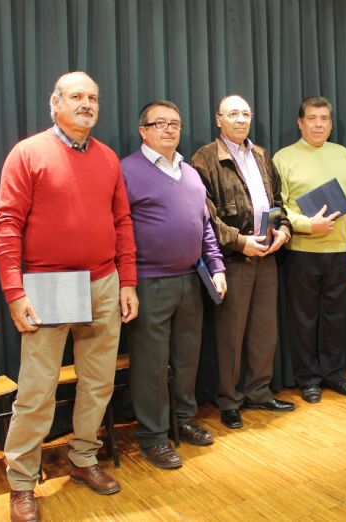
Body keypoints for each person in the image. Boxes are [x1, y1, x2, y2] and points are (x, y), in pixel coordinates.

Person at [0, 71, 139, 522]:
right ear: (54, 103)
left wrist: (128, 280)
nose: (87, 104)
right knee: (37, 391)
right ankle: (21, 483)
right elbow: (7, 226)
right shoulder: (28, 153)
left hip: (103, 282)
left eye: (93, 97)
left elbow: (122, 223)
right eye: (77, 96)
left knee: (98, 384)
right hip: (48, 285)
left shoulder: (108, 158)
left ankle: (83, 459)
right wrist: (14, 292)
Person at [121, 101, 226, 468]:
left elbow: (206, 227)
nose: (169, 129)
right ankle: (153, 436)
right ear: (143, 130)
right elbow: (119, 231)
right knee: (151, 364)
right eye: (160, 123)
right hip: (149, 283)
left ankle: (183, 420)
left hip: (190, 279)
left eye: (175, 123)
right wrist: (128, 283)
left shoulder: (190, 171)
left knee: (186, 359)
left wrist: (217, 267)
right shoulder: (127, 172)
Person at [191, 94, 295, 429]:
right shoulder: (204, 159)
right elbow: (205, 216)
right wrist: (240, 242)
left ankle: (259, 392)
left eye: (246, 113)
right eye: (232, 114)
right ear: (218, 119)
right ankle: (229, 399)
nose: (240, 119)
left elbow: (277, 200)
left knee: (265, 331)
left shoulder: (262, 154)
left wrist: (283, 230)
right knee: (230, 335)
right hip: (232, 260)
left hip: (267, 257)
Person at [273, 96, 346, 404]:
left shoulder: (343, 155)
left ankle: (333, 373)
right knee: (304, 319)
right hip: (301, 251)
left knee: (335, 317)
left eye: (324, 119)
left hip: (340, 251)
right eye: (312, 118)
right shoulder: (283, 158)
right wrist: (306, 224)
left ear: (330, 123)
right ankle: (308, 378)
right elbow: (280, 206)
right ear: (300, 123)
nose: (318, 124)